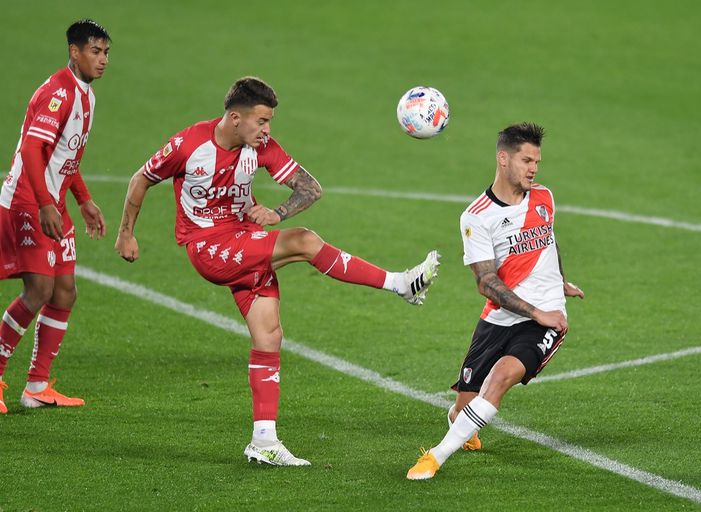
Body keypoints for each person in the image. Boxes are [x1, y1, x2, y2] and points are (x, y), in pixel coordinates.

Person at [114, 76, 440, 466]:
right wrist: (126, 235)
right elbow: (141, 178)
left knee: (269, 336)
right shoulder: (188, 145)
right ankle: (400, 284)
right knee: (303, 241)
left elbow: (311, 189)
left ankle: (263, 440)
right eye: (261, 121)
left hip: (244, 239)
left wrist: (277, 212)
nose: (267, 130)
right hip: (208, 247)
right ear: (235, 118)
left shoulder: (261, 148)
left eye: (269, 122)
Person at [406, 122, 584, 480]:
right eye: (526, 160)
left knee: (500, 378)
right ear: (503, 159)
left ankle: (435, 457)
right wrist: (535, 310)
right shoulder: (477, 216)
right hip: (501, 315)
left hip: (546, 318)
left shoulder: (544, 197)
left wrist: (558, 284)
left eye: (536, 161)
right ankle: (462, 429)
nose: (533, 168)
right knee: (461, 413)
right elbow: (486, 283)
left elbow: (550, 239)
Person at [0, 20, 110, 415]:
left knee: (65, 292)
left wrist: (83, 199)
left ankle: (36, 385)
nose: (102, 60)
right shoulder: (56, 93)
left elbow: (66, 156)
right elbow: (33, 151)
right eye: (94, 51)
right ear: (74, 51)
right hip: (29, 199)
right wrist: (46, 203)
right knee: (39, 291)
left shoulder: (86, 96)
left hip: (53, 200)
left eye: (106, 52)